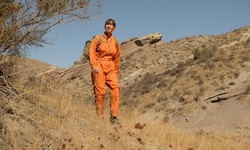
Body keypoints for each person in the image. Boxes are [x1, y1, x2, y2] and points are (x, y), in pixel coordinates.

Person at [88, 19, 121, 124]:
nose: (109, 26)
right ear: (105, 26)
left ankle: (114, 116)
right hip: (99, 65)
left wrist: (116, 70)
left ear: (114, 28)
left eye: (111, 25)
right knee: (100, 92)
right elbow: (91, 52)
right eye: (107, 24)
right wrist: (94, 66)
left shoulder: (115, 42)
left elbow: (117, 57)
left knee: (115, 90)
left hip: (111, 66)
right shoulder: (98, 38)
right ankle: (100, 116)